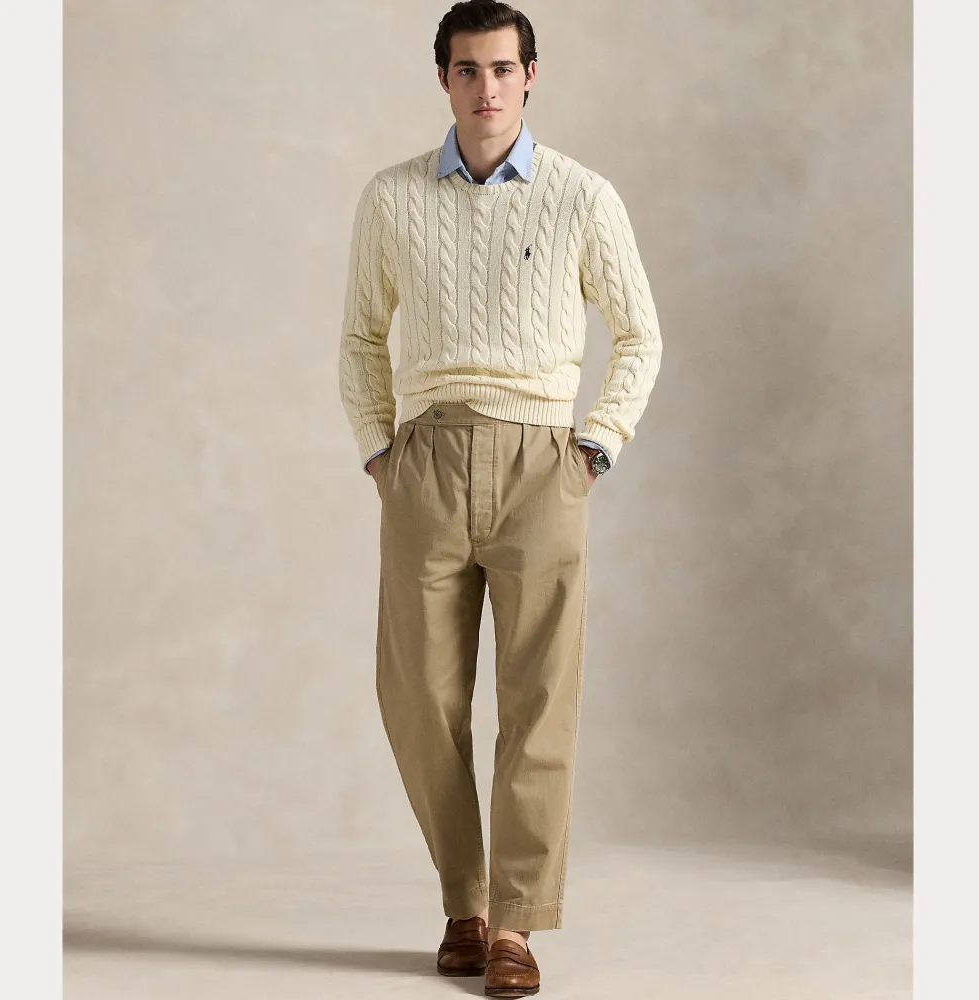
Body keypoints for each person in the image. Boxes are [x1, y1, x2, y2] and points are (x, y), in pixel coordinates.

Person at [338, 2, 663, 995]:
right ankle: (464, 901)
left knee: (539, 702)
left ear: (531, 76)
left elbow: (639, 334)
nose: (487, 88)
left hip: (541, 466)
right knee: (416, 696)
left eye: (503, 69)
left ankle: (514, 926)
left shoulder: (582, 196)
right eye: (468, 69)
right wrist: (382, 452)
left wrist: (593, 447)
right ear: (443, 78)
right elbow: (360, 338)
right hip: (427, 461)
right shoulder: (392, 198)